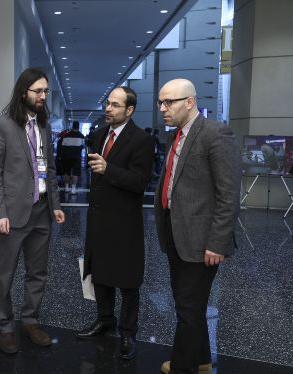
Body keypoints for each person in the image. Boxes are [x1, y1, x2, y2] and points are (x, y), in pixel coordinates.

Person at [154, 79, 241, 374]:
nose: (163, 109)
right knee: (189, 303)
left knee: (188, 309)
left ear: (189, 102)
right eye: (160, 103)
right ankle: (202, 361)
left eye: (169, 103)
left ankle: (183, 367)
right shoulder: (174, 136)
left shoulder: (216, 134)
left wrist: (217, 242)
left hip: (203, 241)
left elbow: (228, 195)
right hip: (176, 235)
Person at [0, 67, 65, 354]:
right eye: (38, 91)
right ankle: (5, 327)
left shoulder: (43, 126)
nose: (44, 96)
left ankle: (30, 320)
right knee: (5, 274)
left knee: (38, 273)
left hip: (41, 211)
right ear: (24, 93)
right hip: (13, 214)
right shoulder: (2, 125)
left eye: (46, 91)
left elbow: (48, 170)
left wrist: (55, 205)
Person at [77, 87, 153, 361]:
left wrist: (109, 170)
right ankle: (104, 320)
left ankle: (127, 332)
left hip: (124, 222)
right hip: (98, 219)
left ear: (129, 110)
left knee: (128, 281)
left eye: (115, 105)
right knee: (101, 274)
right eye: (107, 103)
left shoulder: (141, 140)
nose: (108, 109)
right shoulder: (98, 136)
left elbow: (139, 182)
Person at [58, 120, 85, 194]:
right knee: (75, 173)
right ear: (78, 127)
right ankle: (73, 189)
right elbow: (82, 146)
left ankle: (66, 188)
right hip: (77, 157)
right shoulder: (81, 136)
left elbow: (63, 146)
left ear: (72, 126)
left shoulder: (66, 135)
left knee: (66, 172)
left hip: (66, 157)